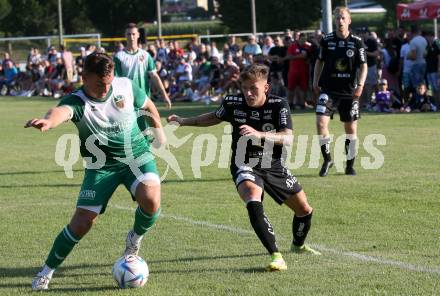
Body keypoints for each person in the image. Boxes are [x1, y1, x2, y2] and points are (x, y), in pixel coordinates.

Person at [26, 53, 164, 290]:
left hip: (136, 157)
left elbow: (147, 104)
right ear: (85, 77)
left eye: (108, 82)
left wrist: (158, 128)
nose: (105, 88)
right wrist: (48, 122)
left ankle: (135, 239)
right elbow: (60, 112)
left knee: (151, 199)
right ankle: (45, 272)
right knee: (81, 223)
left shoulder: (125, 86)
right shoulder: (77, 101)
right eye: (100, 83)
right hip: (101, 167)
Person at [167, 63, 321, 272]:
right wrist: (183, 121)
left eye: (253, 89)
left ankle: (298, 245)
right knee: (251, 195)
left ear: (266, 87)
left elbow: (287, 137)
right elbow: (214, 117)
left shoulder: (279, 104)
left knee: (304, 210)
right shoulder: (233, 102)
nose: (248, 93)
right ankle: (276, 255)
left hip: (273, 164)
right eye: (244, 88)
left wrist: (259, 135)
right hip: (244, 161)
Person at [312, 6, 368, 177]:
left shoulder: (357, 42)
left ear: (349, 20)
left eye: (343, 18)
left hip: (349, 92)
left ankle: (350, 165)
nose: (340, 21)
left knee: (350, 129)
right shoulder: (326, 40)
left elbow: (363, 65)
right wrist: (315, 81)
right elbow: (319, 61)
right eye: (337, 18)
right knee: (321, 123)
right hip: (328, 90)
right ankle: (327, 159)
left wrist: (360, 85)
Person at [114, 23, 171, 109]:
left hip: (144, 100)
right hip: (127, 101)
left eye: (133, 34)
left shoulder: (146, 55)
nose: (131, 37)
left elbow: (154, 76)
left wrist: (165, 95)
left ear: (138, 35)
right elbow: (116, 80)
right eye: (129, 34)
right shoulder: (119, 56)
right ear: (125, 35)